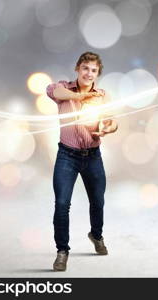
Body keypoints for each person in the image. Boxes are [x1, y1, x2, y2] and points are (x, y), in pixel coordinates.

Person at [45, 51, 118, 271]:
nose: (89, 73)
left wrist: (108, 129)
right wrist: (78, 97)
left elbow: (113, 122)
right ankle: (62, 251)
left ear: (98, 74)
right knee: (61, 204)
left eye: (94, 70)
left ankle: (96, 235)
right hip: (67, 155)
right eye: (85, 68)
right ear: (78, 68)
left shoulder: (103, 96)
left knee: (97, 202)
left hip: (93, 157)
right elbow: (52, 90)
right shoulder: (63, 89)